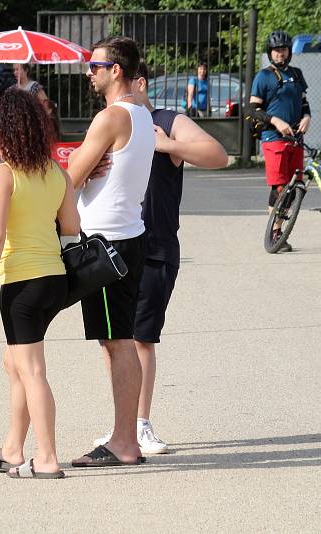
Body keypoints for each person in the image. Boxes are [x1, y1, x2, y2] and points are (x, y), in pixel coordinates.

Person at [91, 60, 228, 455]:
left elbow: (218, 154)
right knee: (114, 337)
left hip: (155, 245)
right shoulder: (112, 121)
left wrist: (168, 145)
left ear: (139, 81)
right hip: (116, 242)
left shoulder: (166, 120)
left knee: (141, 338)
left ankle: (140, 424)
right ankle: (122, 424)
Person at [0, 89, 80, 479]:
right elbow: (71, 227)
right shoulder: (57, 173)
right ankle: (13, 448)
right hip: (54, 278)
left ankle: (47, 457)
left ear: (5, 132)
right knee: (15, 362)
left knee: (31, 369)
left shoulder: (4, 175)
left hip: (22, 281)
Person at [66, 36, 154, 468]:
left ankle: (123, 443)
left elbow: (70, 179)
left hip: (105, 244)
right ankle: (126, 436)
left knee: (117, 343)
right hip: (128, 238)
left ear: (115, 69)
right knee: (119, 341)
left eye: (95, 65)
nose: (89, 71)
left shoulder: (111, 117)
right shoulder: (141, 113)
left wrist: (82, 161)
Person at [247, 30, 311, 252]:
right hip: (273, 137)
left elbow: (304, 102)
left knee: (295, 187)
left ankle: (281, 228)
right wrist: (275, 120)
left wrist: (307, 117)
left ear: (288, 52)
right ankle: (275, 232)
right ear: (270, 52)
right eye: (276, 51)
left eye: (283, 50)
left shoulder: (297, 73)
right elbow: (252, 109)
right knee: (280, 185)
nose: (280, 54)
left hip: (296, 138)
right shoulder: (263, 77)